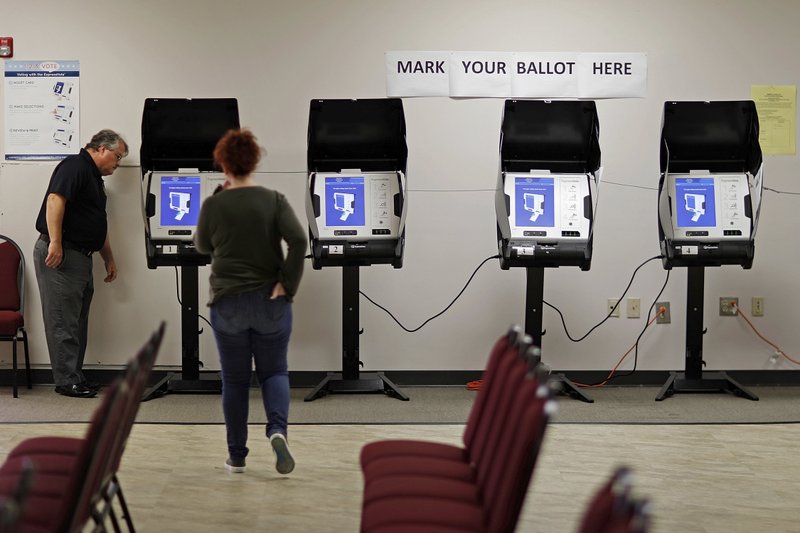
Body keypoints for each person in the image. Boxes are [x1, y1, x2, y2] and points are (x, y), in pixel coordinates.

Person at [195, 129, 307, 475]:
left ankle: (237, 456)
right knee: (274, 371)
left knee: (235, 380)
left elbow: (201, 247)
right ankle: (277, 431)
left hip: (228, 303)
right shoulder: (274, 199)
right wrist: (287, 285)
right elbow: (299, 241)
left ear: (223, 163)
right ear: (255, 161)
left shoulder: (214, 204)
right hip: (270, 301)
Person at [33, 129, 128, 399]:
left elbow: (99, 223)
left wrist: (108, 257)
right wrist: (55, 242)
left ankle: (76, 376)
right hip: (62, 253)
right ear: (100, 149)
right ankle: (66, 381)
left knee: (76, 320)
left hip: (81, 256)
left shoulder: (94, 180)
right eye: (117, 157)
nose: (118, 163)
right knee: (62, 320)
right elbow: (55, 200)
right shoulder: (74, 166)